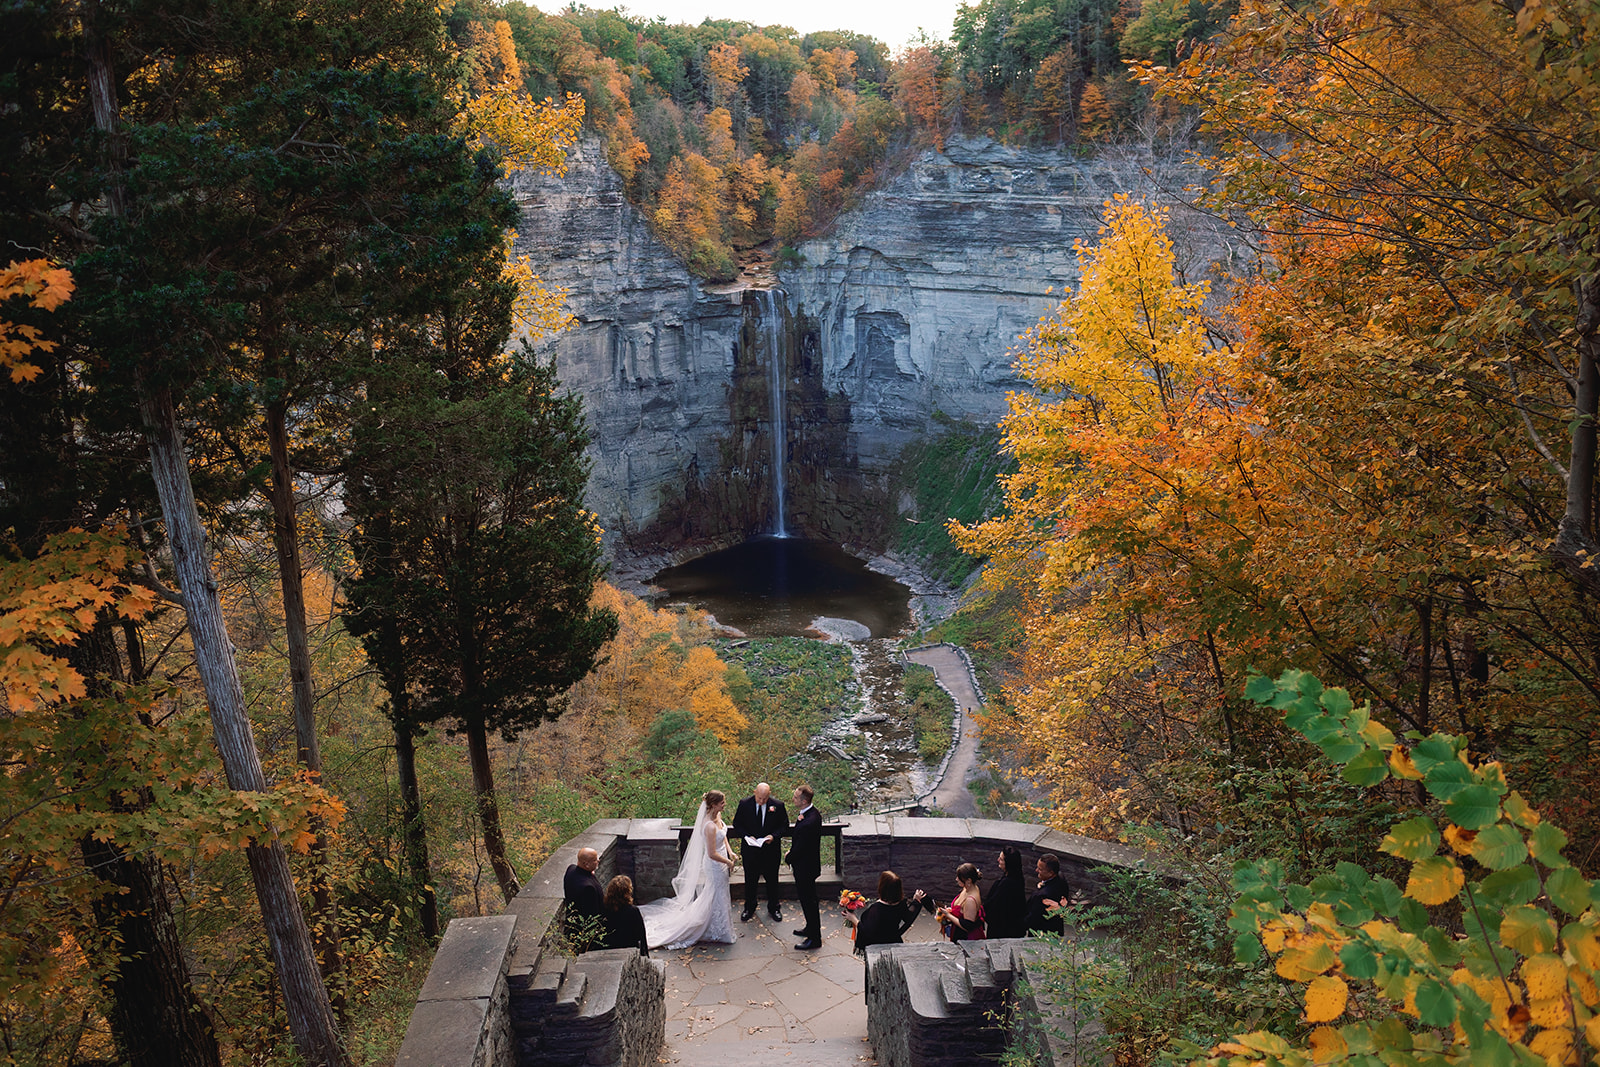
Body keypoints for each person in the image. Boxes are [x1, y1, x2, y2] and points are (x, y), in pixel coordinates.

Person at [638, 790, 738, 950]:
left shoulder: (717, 817)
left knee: (720, 893)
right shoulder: (709, 826)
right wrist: (728, 862)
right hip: (714, 864)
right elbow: (712, 853)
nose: (724, 805)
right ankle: (714, 928)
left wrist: (730, 851)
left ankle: (719, 925)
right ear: (713, 805)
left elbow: (723, 835)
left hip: (723, 858)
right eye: (722, 803)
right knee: (715, 893)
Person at [848, 871, 928, 996]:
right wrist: (916, 901)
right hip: (894, 947)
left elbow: (867, 932)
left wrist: (854, 920)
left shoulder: (876, 909)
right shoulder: (901, 904)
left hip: (877, 952)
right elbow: (908, 916)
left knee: (876, 983)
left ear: (882, 887)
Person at [732, 782, 787, 922]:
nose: (762, 801)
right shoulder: (744, 804)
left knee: (772, 881)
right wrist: (746, 836)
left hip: (770, 851)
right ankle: (749, 908)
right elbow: (737, 824)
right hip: (750, 851)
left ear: (769, 795)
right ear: (755, 792)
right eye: (759, 798)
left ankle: (774, 907)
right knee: (750, 880)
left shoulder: (778, 805)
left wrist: (773, 836)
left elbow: (784, 826)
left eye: (765, 798)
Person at [787, 783, 823, 950]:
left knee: (809, 902)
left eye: (795, 797)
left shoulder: (810, 821)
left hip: (805, 868)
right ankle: (810, 927)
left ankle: (814, 939)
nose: (793, 799)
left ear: (804, 800)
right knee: (807, 901)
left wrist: (789, 856)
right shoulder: (810, 814)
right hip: (807, 865)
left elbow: (802, 847)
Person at [562, 847, 605, 950]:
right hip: (583, 930)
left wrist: (590, 874)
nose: (598, 861)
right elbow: (592, 914)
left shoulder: (571, 869)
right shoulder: (588, 888)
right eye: (595, 860)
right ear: (586, 864)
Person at [935, 862, 986, 941]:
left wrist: (948, 915)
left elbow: (967, 926)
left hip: (967, 939)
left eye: (959, 877)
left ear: (968, 880)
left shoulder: (970, 900)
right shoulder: (969, 888)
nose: (956, 879)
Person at [600, 875, 649, 957]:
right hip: (629, 946)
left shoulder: (604, 908)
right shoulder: (633, 911)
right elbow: (640, 934)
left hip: (610, 946)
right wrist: (645, 954)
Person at [1025, 853, 1073, 936]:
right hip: (1056, 929)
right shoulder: (1061, 878)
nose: (1036, 870)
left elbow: (1033, 919)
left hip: (1042, 934)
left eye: (1040, 869)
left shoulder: (1043, 896)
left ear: (1051, 873)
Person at [987, 846, 1028, 939]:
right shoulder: (1017, 877)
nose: (998, 860)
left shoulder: (1007, 884)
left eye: (1001, 859)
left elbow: (996, 907)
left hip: (1003, 930)